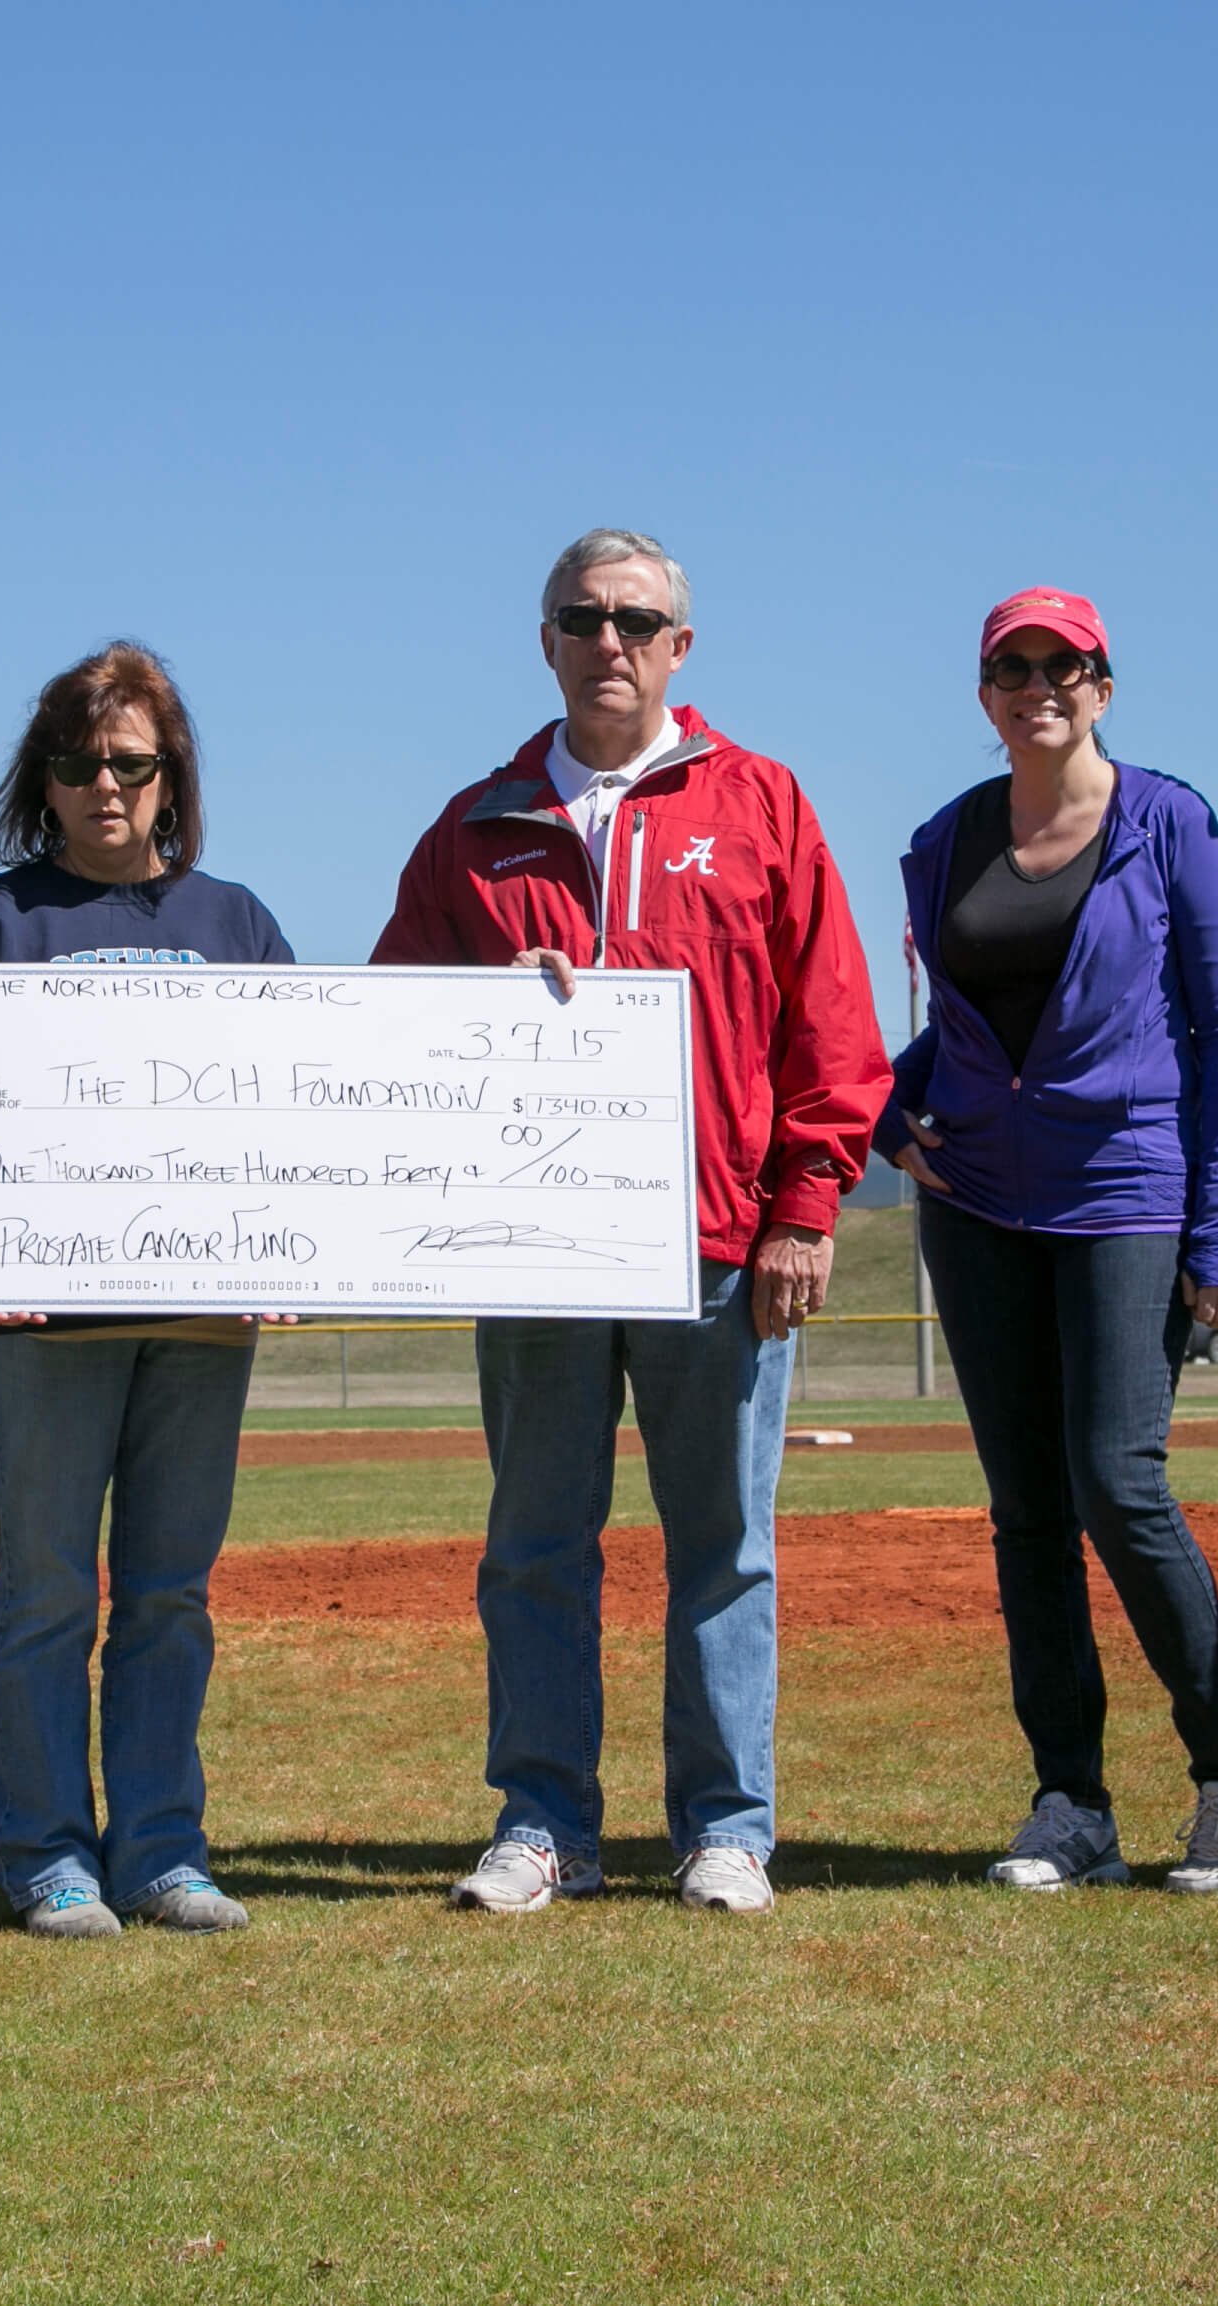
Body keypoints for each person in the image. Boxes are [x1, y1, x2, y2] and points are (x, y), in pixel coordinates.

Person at [372, 528, 890, 1914]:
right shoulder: (475, 827)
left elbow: (830, 1029)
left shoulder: (763, 803)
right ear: (543, 639)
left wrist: (804, 1205)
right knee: (535, 1540)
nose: (609, 640)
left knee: (722, 1544)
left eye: (636, 618)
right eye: (581, 617)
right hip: (531, 1250)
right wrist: (488, 1011)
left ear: (680, 645)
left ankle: (725, 1825)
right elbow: (385, 1028)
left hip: (720, 1245)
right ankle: (543, 1822)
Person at [881, 589, 1218, 1896]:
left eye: (1064, 664)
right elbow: (955, 1025)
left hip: (1125, 1187)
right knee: (1026, 1512)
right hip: (975, 1200)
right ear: (985, 689)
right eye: (1013, 664)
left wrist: (1217, 1230)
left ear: (1102, 684)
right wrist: (891, 1109)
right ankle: (1070, 1802)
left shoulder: (1168, 824)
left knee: (1117, 1479)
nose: (1038, 682)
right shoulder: (942, 841)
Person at [0, 642, 293, 1939]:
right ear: (45, 780)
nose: (105, 786)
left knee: (171, 1592)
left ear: (171, 776)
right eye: (79, 765)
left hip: (198, 1321)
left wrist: (290, 1248)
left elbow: (296, 1112)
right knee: (49, 1591)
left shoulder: (236, 926)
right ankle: (47, 1856)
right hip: (42, 1323)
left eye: (131, 762)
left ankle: (162, 1852)